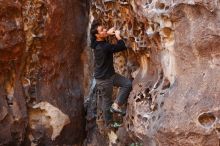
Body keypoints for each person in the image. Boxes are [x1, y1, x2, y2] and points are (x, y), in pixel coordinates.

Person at [90, 20, 132, 127]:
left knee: (127, 84)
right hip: (103, 80)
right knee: (106, 101)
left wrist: (107, 33)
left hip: (111, 75)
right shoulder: (104, 47)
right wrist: (118, 36)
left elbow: (96, 41)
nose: (105, 30)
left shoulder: (95, 43)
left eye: (104, 28)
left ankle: (116, 105)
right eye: (102, 30)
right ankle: (110, 123)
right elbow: (121, 46)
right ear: (97, 35)